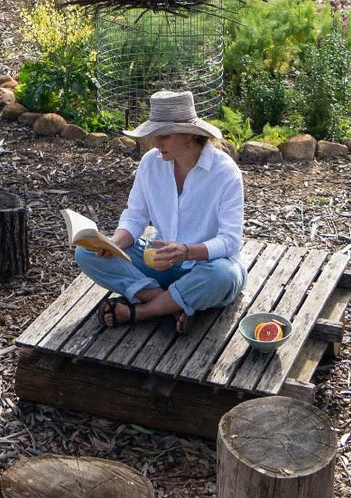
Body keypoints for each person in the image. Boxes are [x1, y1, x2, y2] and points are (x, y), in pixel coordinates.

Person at [75, 90, 245, 331]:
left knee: (224, 275)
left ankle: (140, 311)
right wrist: (113, 244)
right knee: (86, 254)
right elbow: (135, 217)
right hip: (160, 263)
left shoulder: (225, 172)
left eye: (164, 135)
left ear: (188, 134)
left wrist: (186, 252)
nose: (156, 142)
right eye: (155, 135)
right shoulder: (150, 163)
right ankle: (173, 303)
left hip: (204, 269)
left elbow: (230, 242)